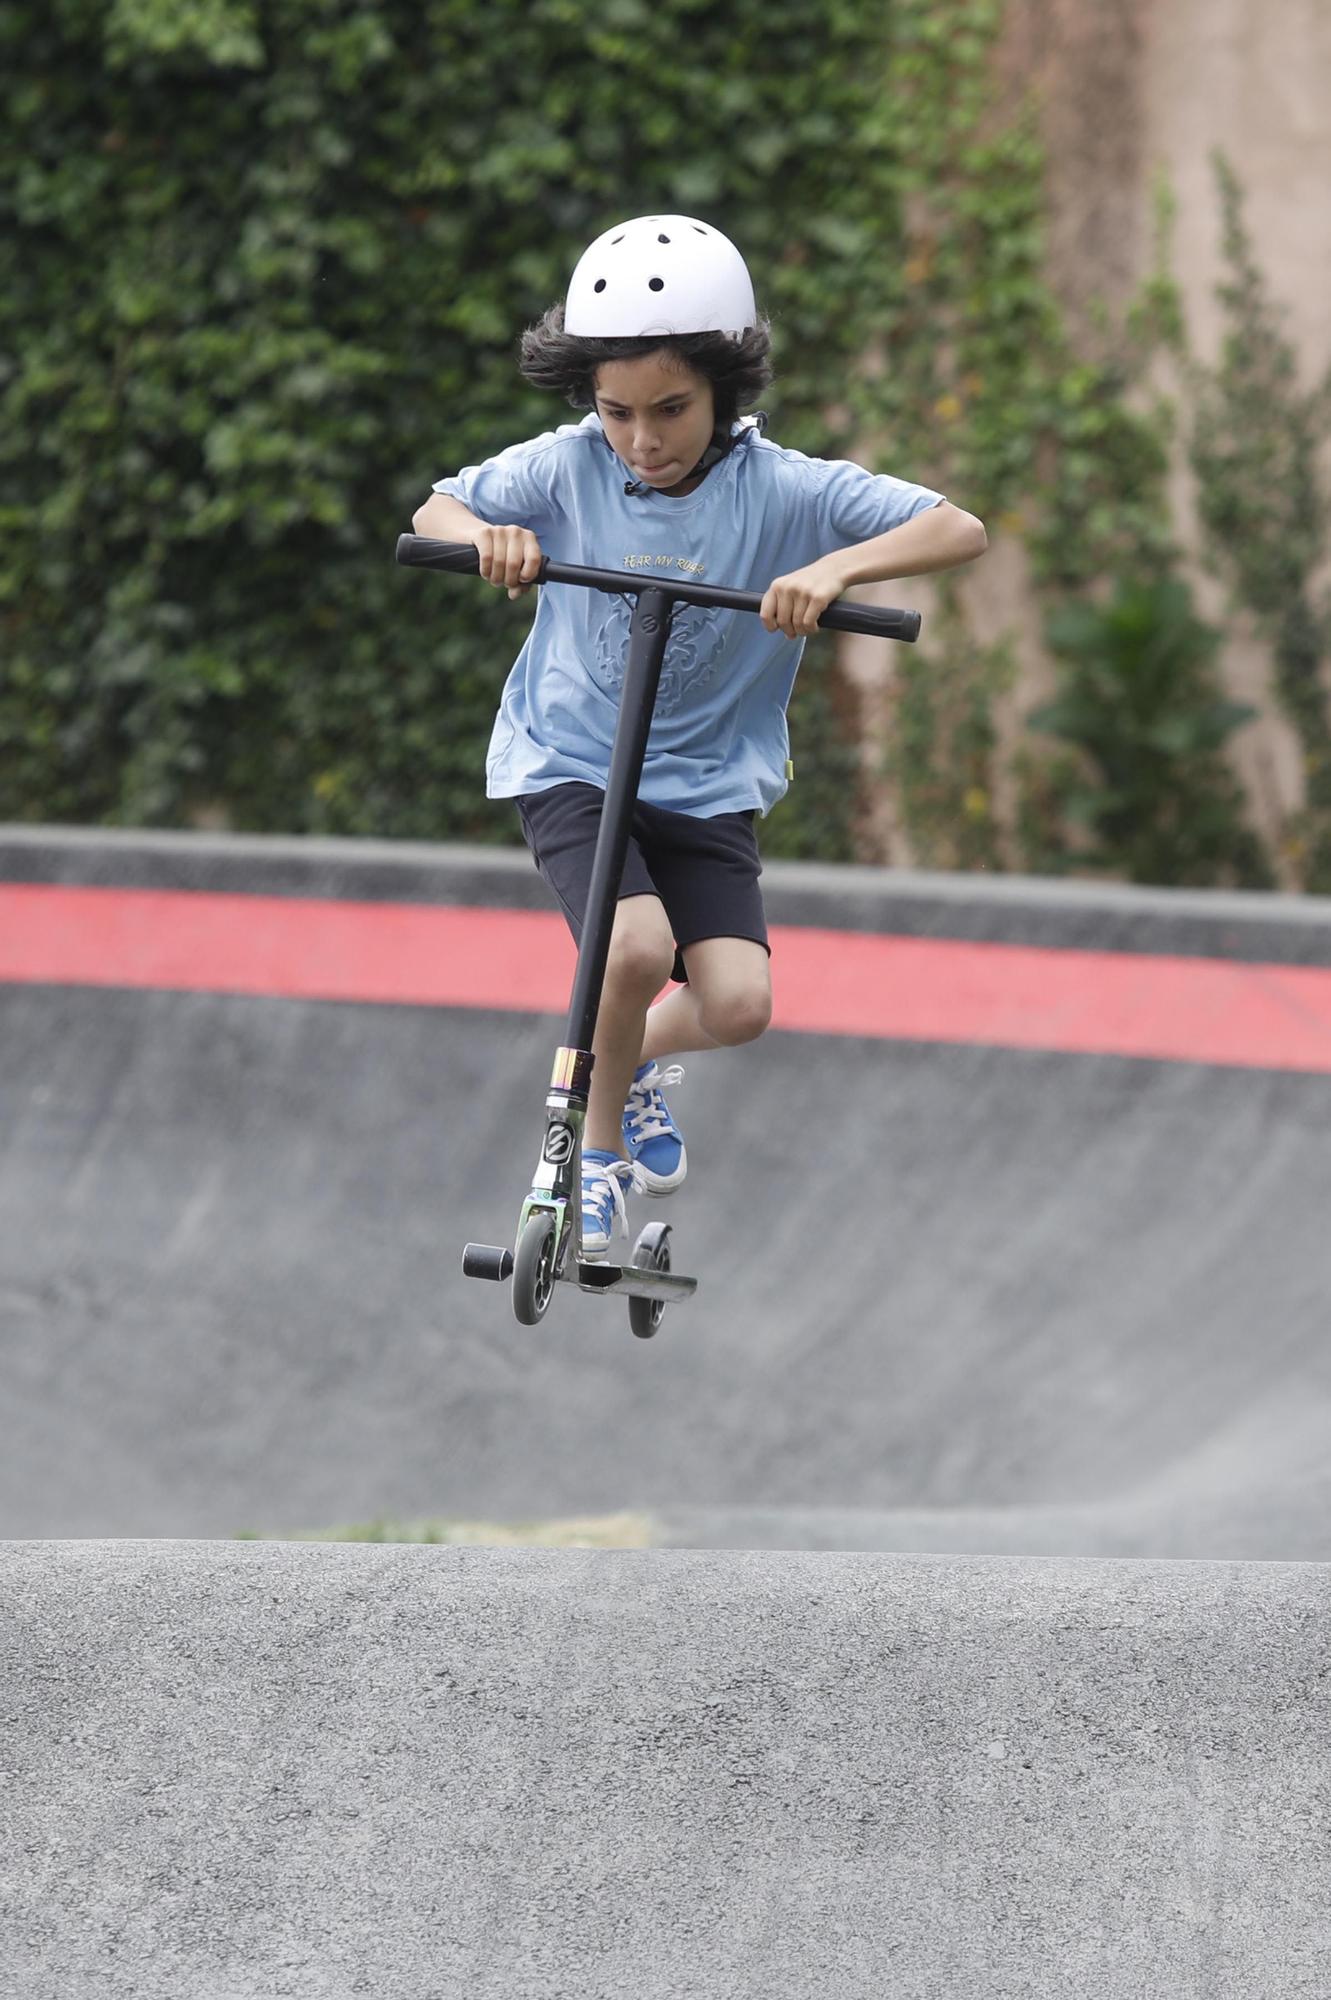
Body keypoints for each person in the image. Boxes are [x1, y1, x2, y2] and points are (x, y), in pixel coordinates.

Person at [413, 214, 986, 1256]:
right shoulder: (568, 467)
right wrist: (489, 535)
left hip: (706, 781)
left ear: (724, 389)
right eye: (615, 409)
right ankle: (587, 1165)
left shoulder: (784, 490)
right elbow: (440, 509)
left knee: (739, 1002)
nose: (641, 438)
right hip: (572, 761)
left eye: (670, 408)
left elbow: (958, 527)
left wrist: (835, 568)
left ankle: (623, 1066)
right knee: (633, 945)